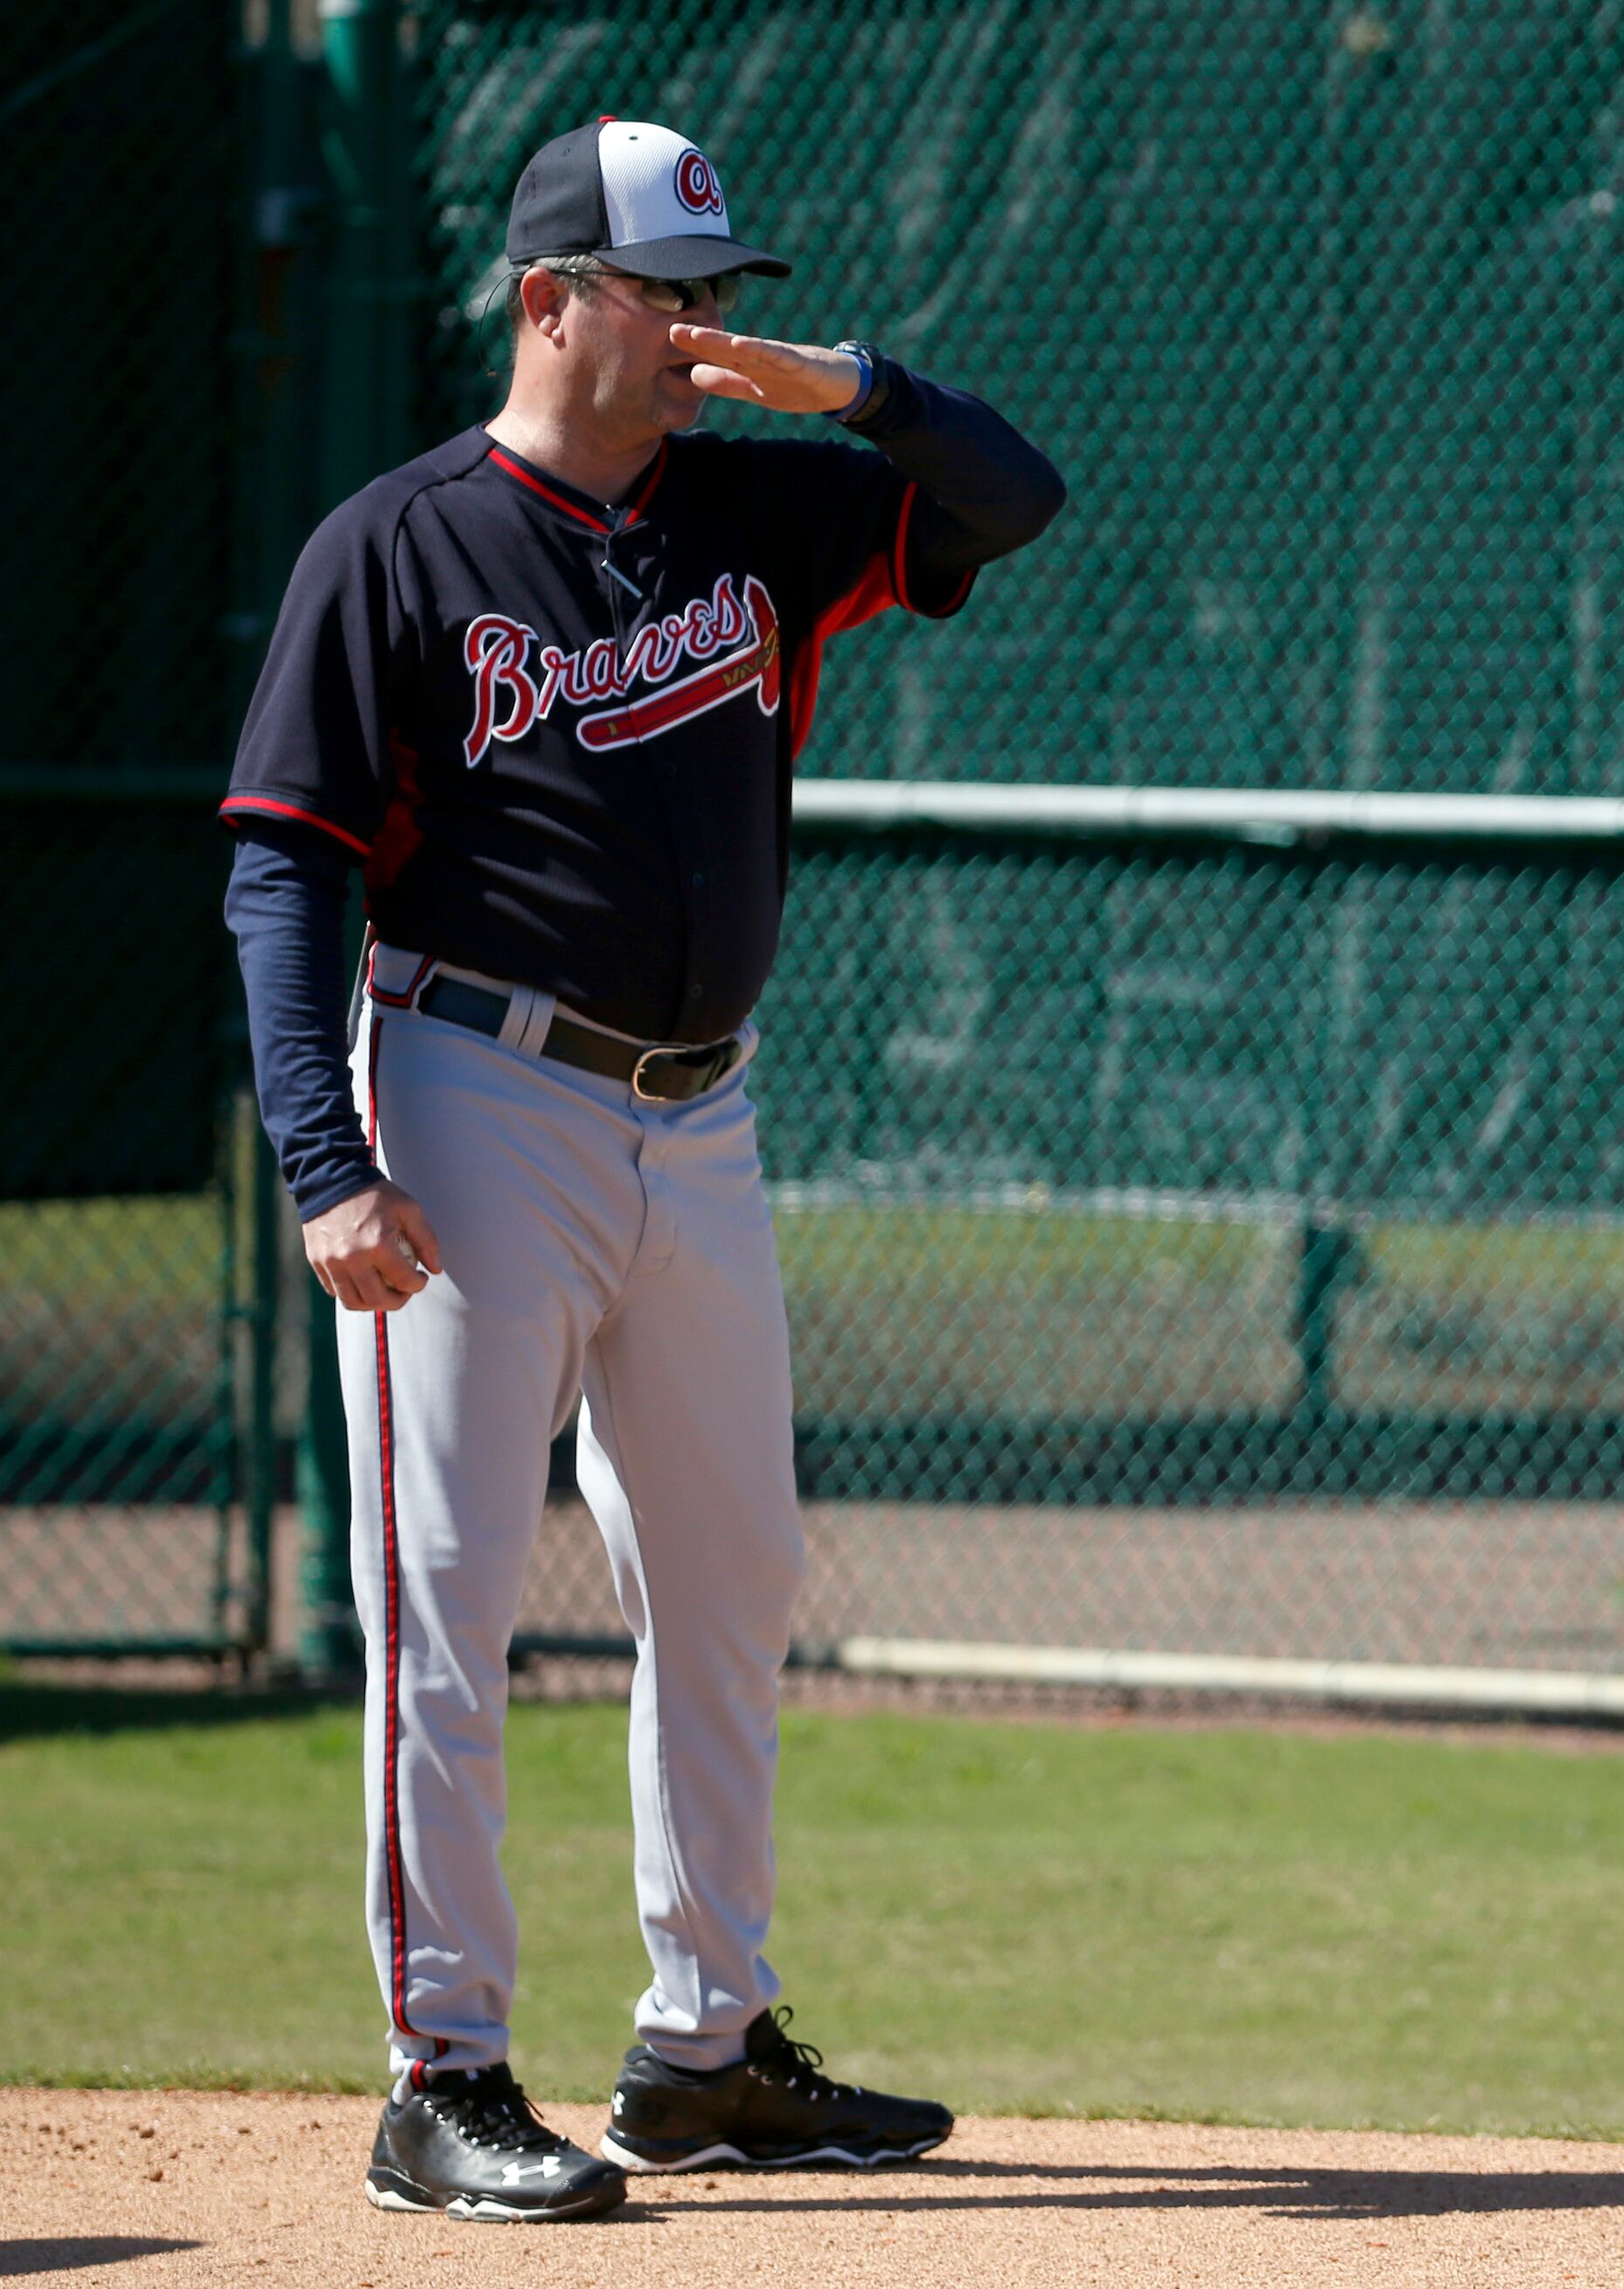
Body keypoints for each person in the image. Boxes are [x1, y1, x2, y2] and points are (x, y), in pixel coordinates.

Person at [221, 117, 1066, 2222]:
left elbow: (1015, 495)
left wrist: (849, 387)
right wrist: (326, 1162)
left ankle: (702, 2049)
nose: (706, 332)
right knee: (445, 1595)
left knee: (734, 1568)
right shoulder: (397, 547)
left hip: (702, 1113)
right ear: (549, 303)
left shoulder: (752, 519)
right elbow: (282, 874)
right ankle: (445, 2070)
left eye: (721, 298)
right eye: (670, 296)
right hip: (468, 1089)